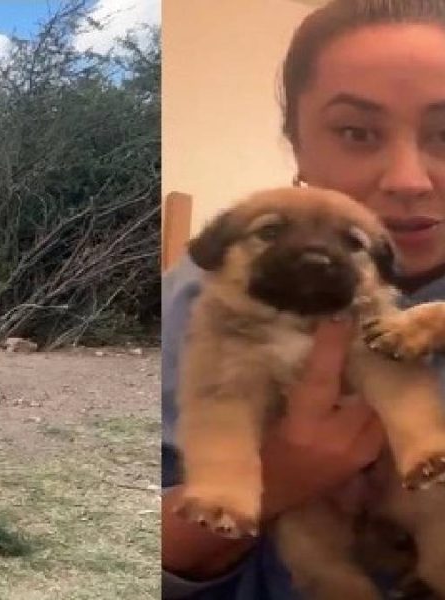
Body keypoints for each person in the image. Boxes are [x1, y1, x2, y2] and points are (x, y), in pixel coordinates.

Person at [162, 1, 445, 597]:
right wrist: (283, 477)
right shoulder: (192, 302)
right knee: (312, 551)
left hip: (414, 511)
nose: (409, 179)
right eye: (356, 132)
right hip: (275, 565)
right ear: (295, 139)